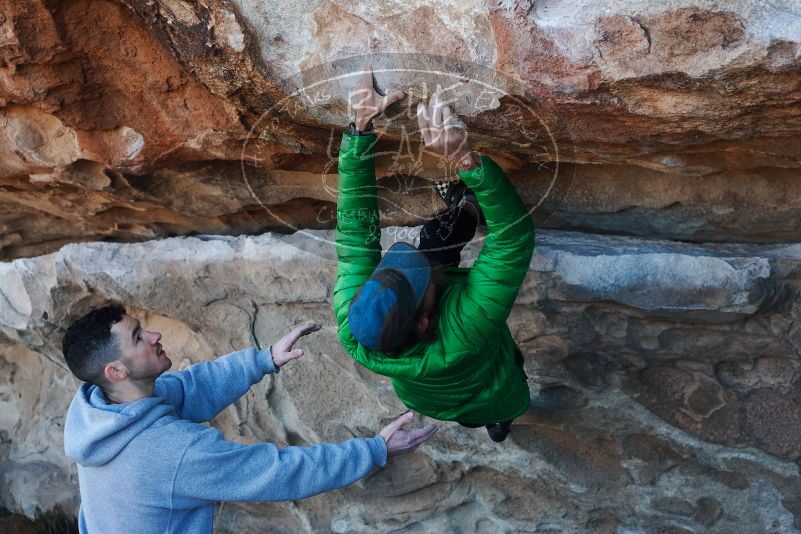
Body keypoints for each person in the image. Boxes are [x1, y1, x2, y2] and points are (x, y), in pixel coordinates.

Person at [62, 304, 437, 533]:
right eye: (138, 336)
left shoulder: (99, 414)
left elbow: (191, 387)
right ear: (115, 371)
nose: (155, 335)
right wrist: (375, 450)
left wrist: (264, 359)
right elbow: (277, 472)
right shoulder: (171, 452)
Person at [334, 66, 535, 443]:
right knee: (498, 399)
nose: (412, 264)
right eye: (417, 279)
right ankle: (499, 422)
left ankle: (466, 208)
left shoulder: (355, 321)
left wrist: (359, 129)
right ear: (426, 322)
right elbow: (512, 240)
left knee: (432, 240)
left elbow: (355, 229)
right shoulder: (468, 325)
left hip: (425, 396)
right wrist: (466, 161)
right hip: (498, 393)